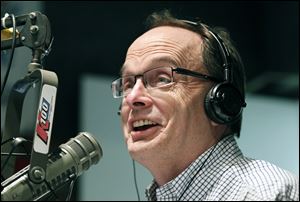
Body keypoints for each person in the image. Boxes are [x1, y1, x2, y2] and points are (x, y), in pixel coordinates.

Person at [111, 10, 299, 201]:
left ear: (221, 102)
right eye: (128, 83)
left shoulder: (267, 194)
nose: (133, 97)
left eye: (162, 79)